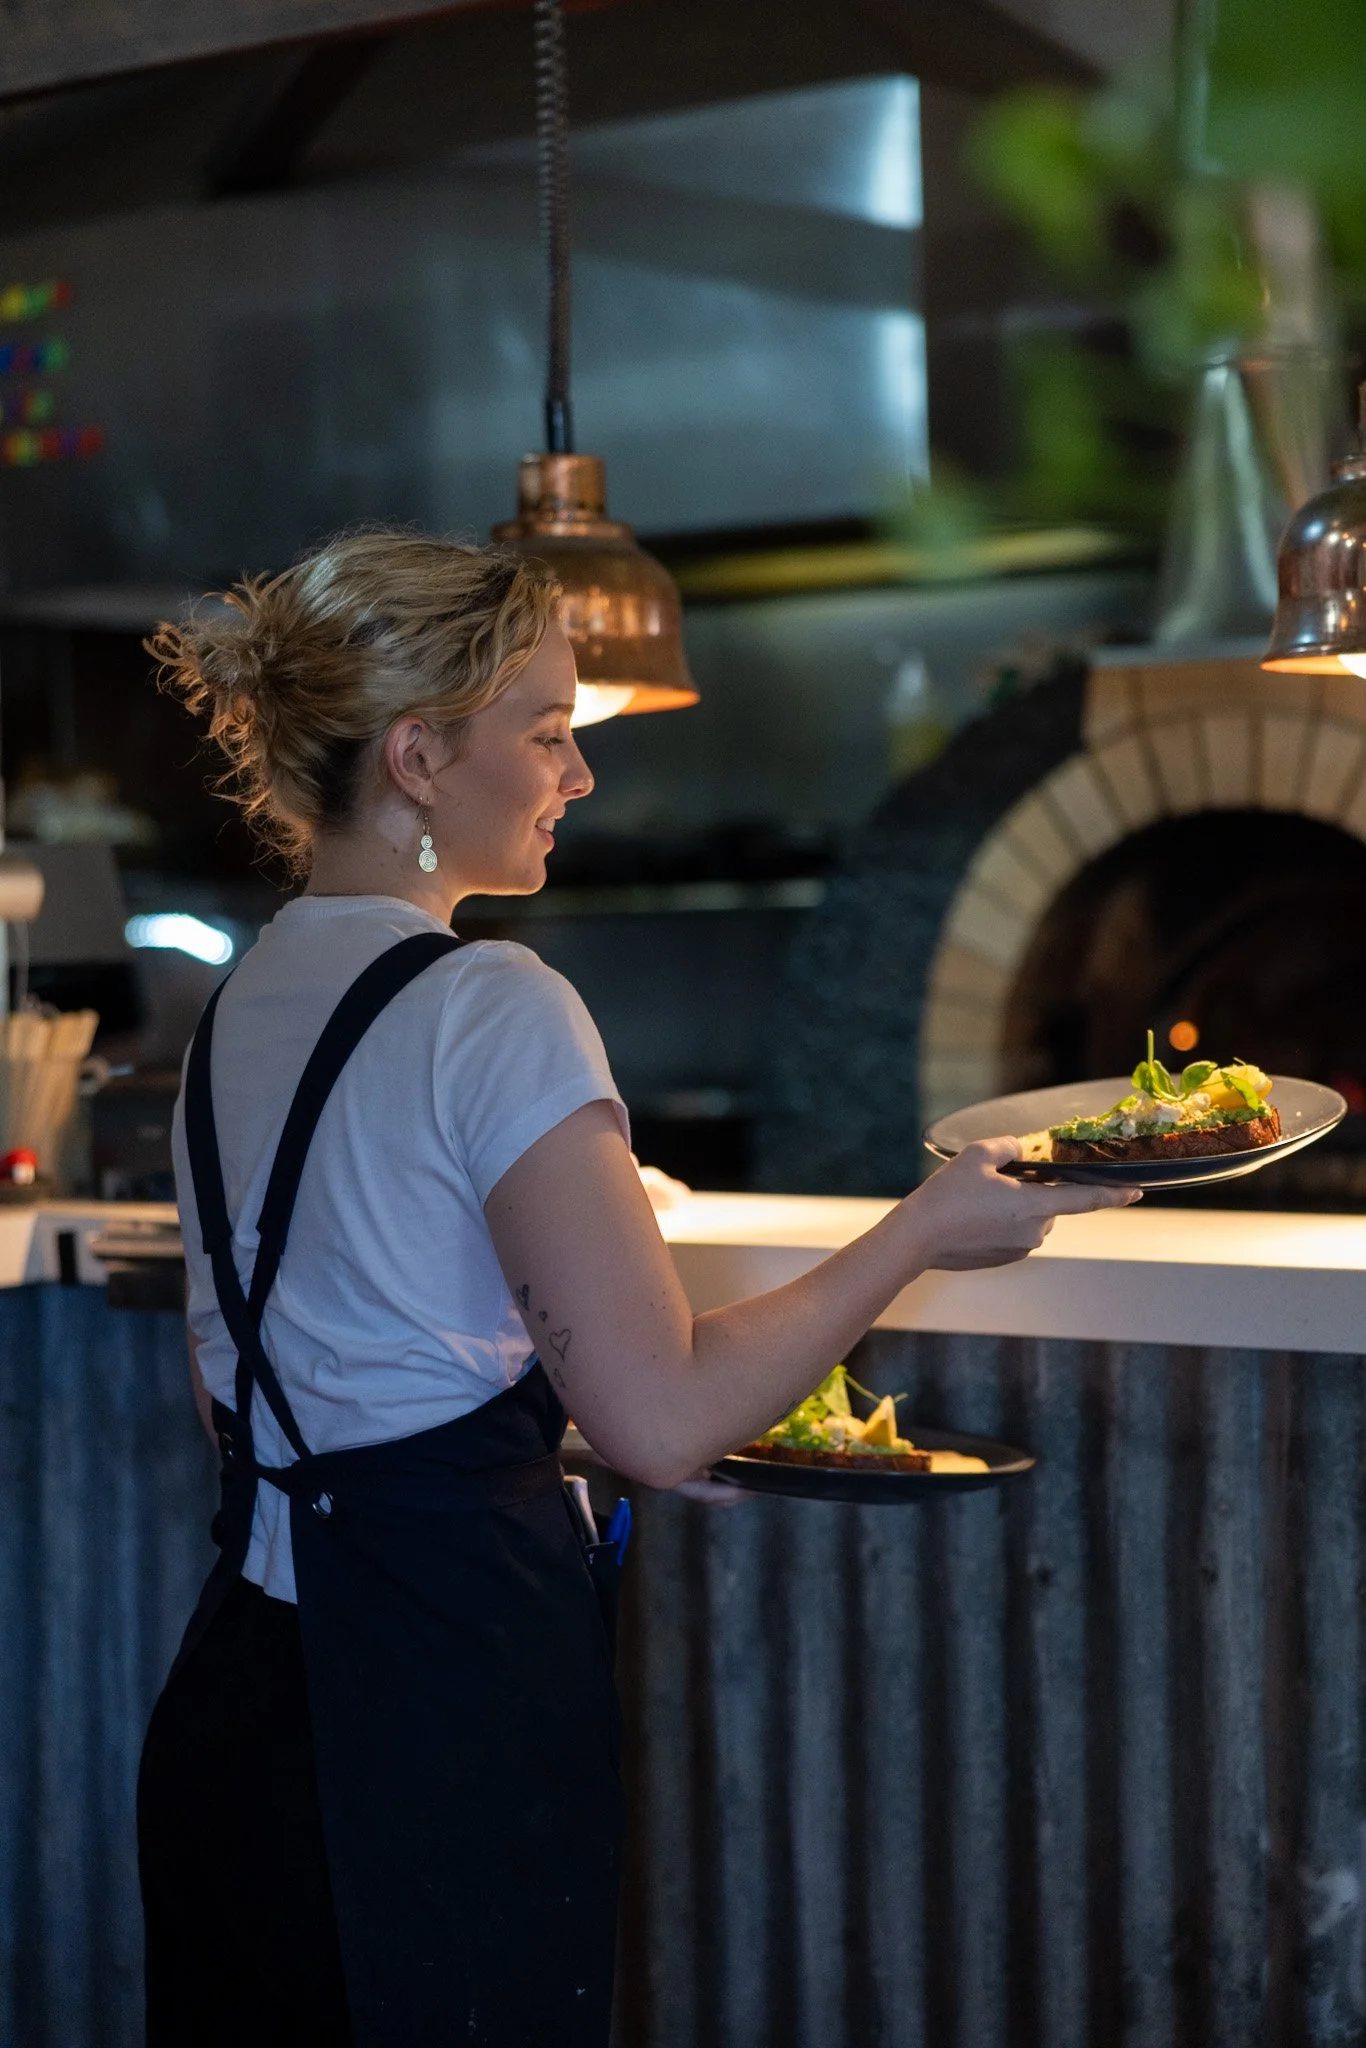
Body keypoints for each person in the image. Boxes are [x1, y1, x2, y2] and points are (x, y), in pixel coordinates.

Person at [136, 528, 1137, 2048]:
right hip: (438, 1725)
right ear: (416, 756)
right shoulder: (493, 1004)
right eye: (545, 733)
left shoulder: (238, 1004)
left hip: (245, 1710)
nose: (578, 776)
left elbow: (263, 1408)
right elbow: (663, 1423)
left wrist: (535, 1446)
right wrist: (920, 1230)